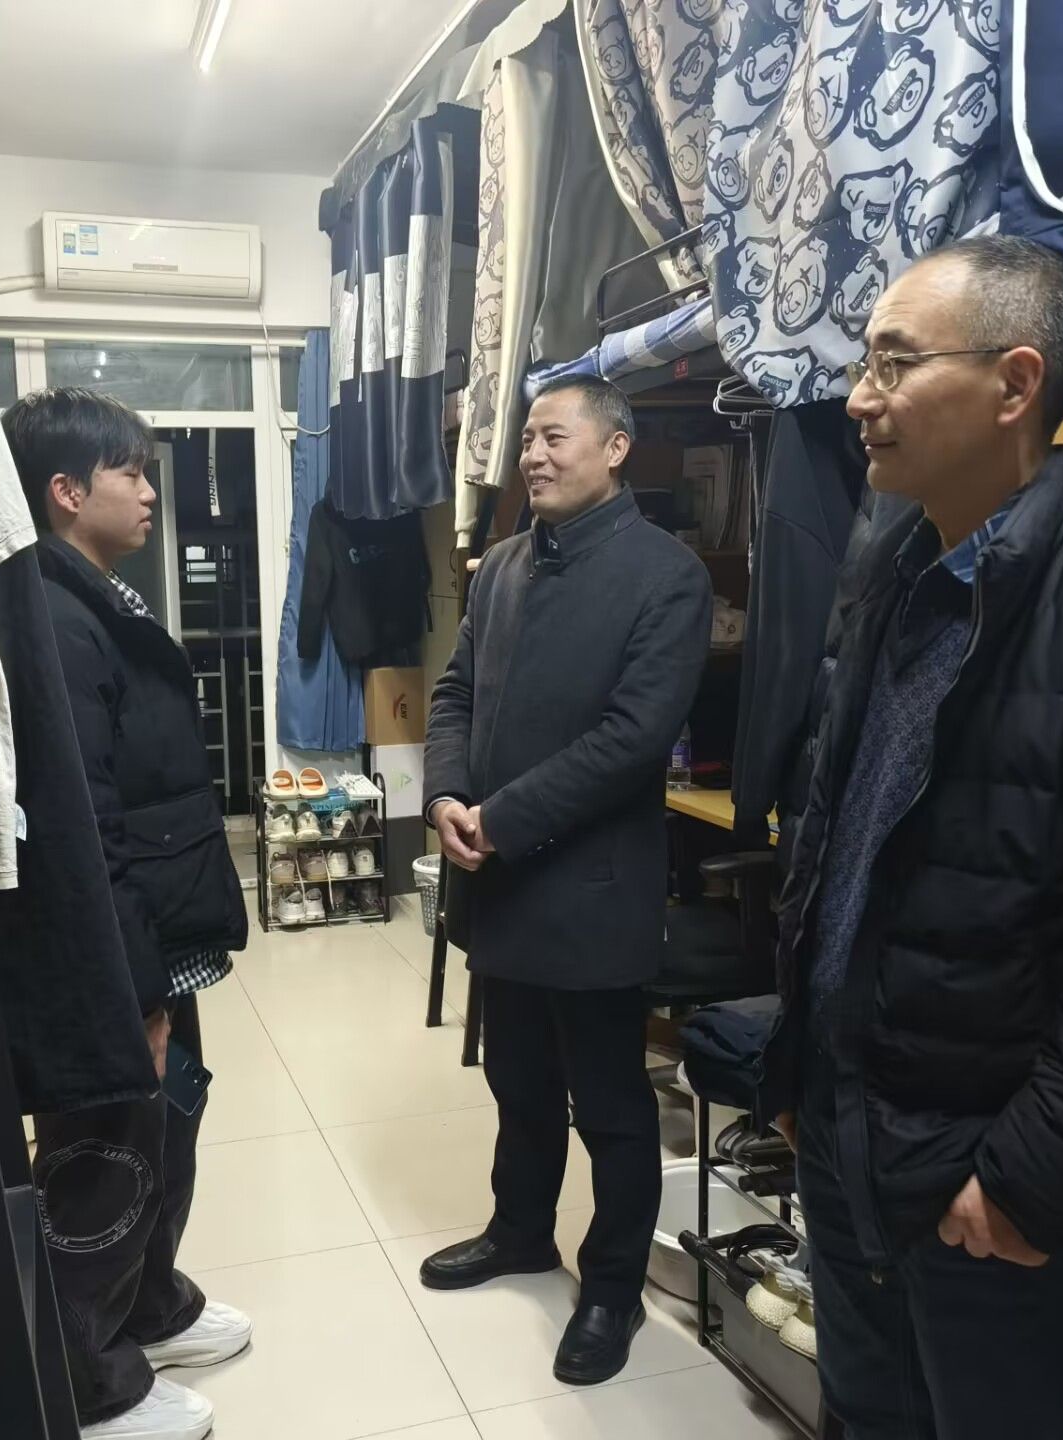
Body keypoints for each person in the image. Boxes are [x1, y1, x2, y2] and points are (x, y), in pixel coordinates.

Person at [762, 235, 1063, 1437]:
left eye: (892, 364)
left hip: (982, 1172)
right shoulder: (892, 569)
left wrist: (1031, 1182)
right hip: (849, 1123)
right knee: (862, 1414)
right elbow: (839, 835)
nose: (859, 398)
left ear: (1014, 384)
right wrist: (801, 1068)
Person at [421, 374, 713, 1385]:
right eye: (528, 441)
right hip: (497, 883)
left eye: (555, 437)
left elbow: (633, 740)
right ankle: (520, 1231)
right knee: (519, 1082)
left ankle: (613, 1287)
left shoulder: (666, 575)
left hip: (589, 889)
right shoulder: (503, 565)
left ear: (616, 448)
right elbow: (455, 692)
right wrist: (446, 794)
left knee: (613, 1107)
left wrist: (500, 821)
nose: (534, 456)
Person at [3, 389, 251, 1440]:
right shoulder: (54, 619)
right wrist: (134, 989)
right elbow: (83, 828)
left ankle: (151, 1306)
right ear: (66, 491)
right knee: (105, 1145)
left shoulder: (94, 593)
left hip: (155, 925)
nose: (150, 492)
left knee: (167, 1118)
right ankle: (90, 1384)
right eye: (130, 473)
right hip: (110, 944)